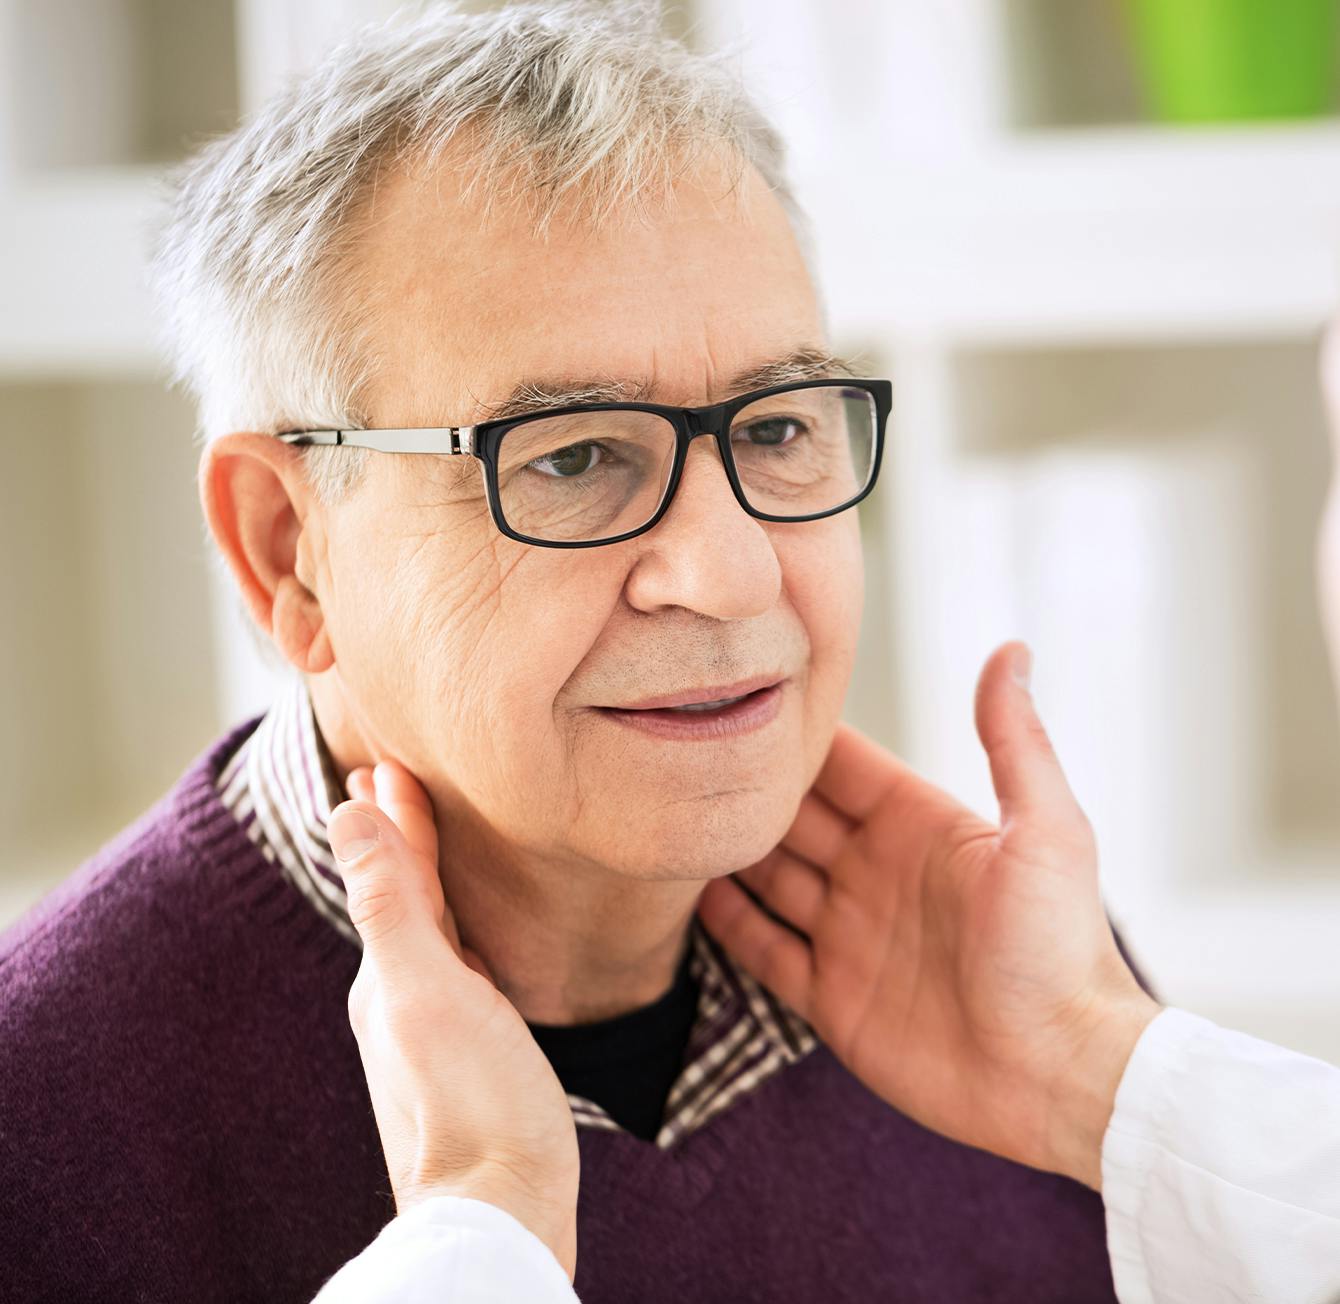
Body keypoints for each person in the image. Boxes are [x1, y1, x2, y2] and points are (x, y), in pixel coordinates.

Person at [0, 8, 1306, 1304]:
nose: (733, 572)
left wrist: (1095, 1062)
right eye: (572, 459)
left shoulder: (1033, 1005)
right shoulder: (40, 1137)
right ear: (290, 550)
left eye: (778, 427)